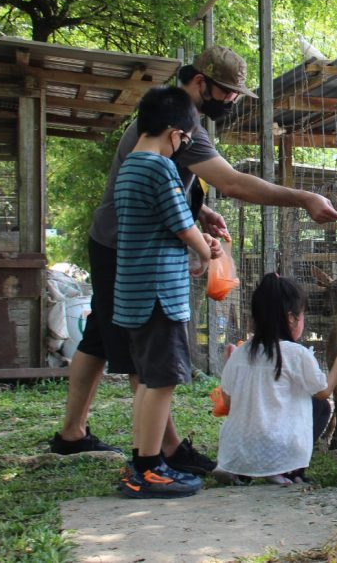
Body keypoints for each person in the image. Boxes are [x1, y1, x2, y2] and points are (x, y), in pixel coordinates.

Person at [48, 46, 337, 475]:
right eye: (227, 92)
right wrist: (303, 198)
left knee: (100, 337)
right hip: (130, 249)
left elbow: (164, 186)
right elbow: (233, 182)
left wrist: (197, 209)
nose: (233, 101)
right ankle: (160, 455)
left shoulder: (164, 117)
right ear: (200, 82)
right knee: (145, 354)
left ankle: (73, 434)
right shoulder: (181, 123)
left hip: (114, 239)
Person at [112, 86, 213, 498]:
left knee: (148, 382)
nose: (183, 147)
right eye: (186, 140)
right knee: (162, 383)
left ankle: (140, 462)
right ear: (175, 133)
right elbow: (181, 225)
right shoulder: (160, 168)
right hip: (159, 296)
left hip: (135, 292)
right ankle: (151, 469)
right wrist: (207, 251)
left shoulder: (129, 167)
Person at [214, 273, 337, 485]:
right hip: (278, 449)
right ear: (291, 318)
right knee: (321, 407)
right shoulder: (296, 353)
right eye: (302, 315)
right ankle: (287, 469)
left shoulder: (239, 353)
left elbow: (228, 402)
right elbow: (323, 392)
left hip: (236, 449)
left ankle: (239, 469)